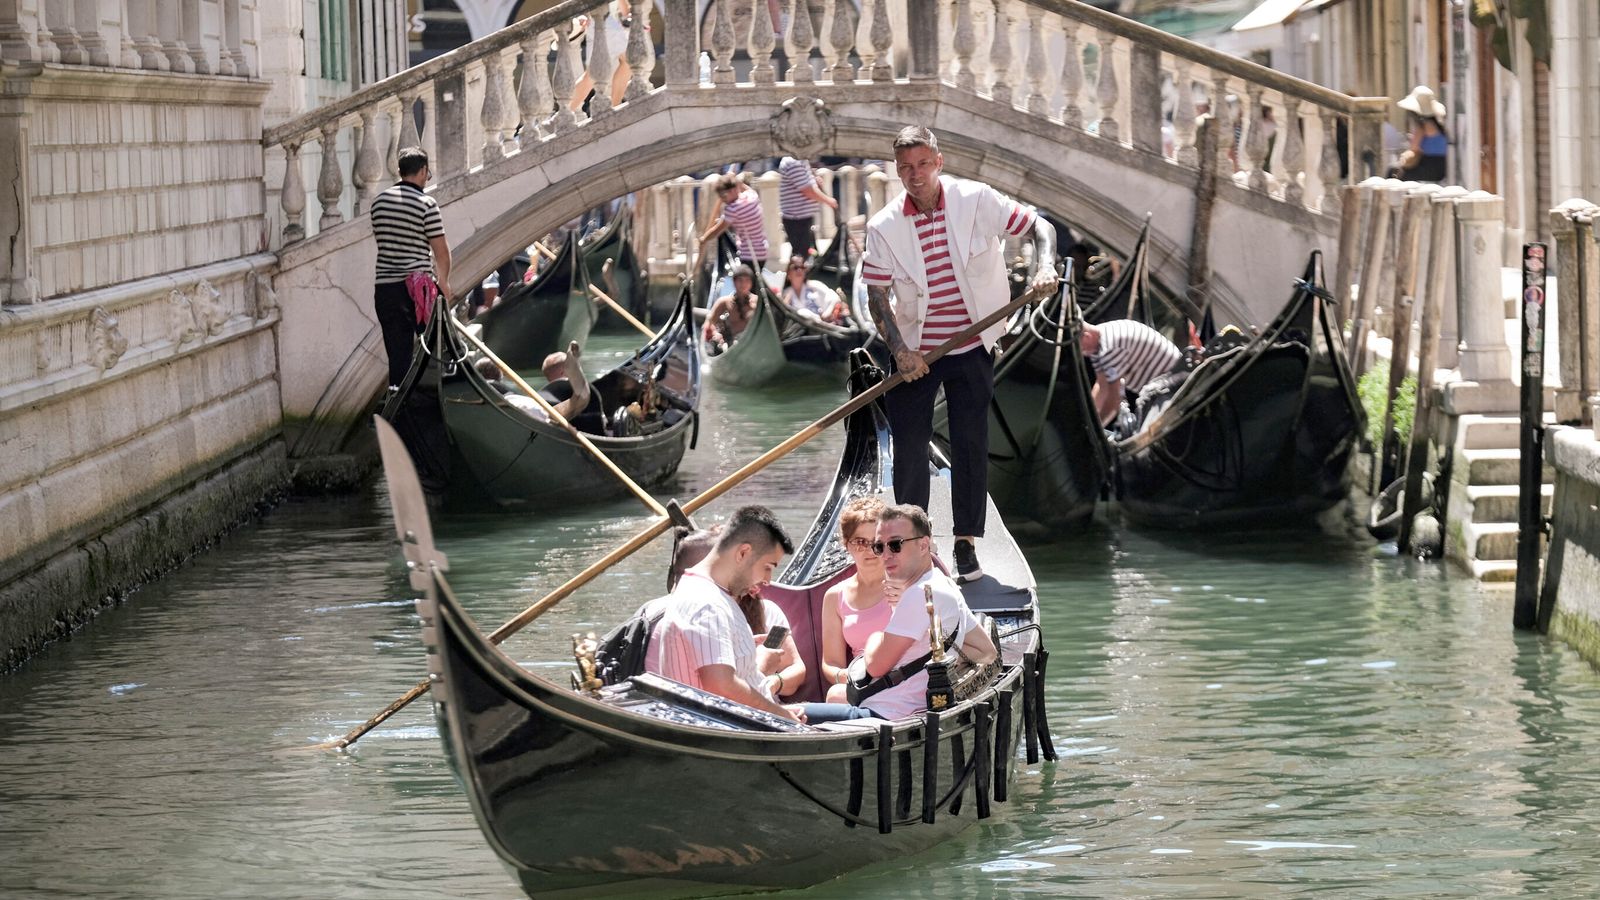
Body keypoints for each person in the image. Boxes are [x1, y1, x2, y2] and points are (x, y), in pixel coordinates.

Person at [859, 126, 1057, 583]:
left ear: (939, 162)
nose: (915, 175)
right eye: (906, 168)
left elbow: (1039, 228)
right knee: (909, 449)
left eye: (923, 164)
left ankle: (965, 545)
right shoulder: (884, 227)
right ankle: (914, 548)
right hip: (916, 351)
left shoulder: (977, 200)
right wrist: (901, 351)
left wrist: (1044, 264)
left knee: (970, 442)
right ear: (898, 171)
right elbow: (876, 297)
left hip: (973, 342)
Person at [808, 504, 994, 722]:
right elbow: (986, 650)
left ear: (924, 545)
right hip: (896, 705)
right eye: (880, 547)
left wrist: (875, 638)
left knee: (791, 715)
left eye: (895, 545)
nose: (884, 555)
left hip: (885, 714)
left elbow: (876, 666)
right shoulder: (943, 584)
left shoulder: (917, 595)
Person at [644, 506, 805, 722]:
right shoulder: (708, 604)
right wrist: (782, 715)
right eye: (768, 566)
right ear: (743, 553)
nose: (768, 579)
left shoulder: (705, 592)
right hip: (733, 735)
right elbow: (722, 686)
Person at [370, 146, 451, 389]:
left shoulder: (378, 203)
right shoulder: (426, 204)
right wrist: (444, 282)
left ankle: (398, 399)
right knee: (436, 348)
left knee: (398, 355)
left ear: (399, 171)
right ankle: (433, 397)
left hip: (385, 289)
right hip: (417, 291)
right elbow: (441, 251)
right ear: (424, 171)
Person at [818, 497, 890, 699]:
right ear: (847, 545)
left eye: (877, 543)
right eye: (860, 542)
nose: (870, 551)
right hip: (861, 684)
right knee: (836, 695)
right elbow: (831, 664)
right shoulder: (834, 597)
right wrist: (855, 677)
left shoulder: (906, 586)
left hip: (903, 677)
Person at [1079, 320, 1182, 427]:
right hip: (1159, 390)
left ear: (1087, 336)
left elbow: (1113, 400)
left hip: (1171, 389)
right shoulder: (1098, 343)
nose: (1082, 353)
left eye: (1080, 348)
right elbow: (1101, 384)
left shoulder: (1110, 347)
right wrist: (1085, 420)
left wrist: (1095, 428)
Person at [473, 341, 590, 423]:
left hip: (533, 411)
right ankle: (580, 393)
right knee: (570, 407)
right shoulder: (514, 398)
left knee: (567, 408)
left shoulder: (488, 396)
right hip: (534, 411)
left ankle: (580, 394)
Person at [697, 174, 770, 270]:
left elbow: (717, 230)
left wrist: (703, 239)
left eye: (724, 196)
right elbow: (741, 185)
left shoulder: (733, 209)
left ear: (733, 190)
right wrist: (733, 178)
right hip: (763, 250)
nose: (722, 200)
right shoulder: (752, 196)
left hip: (749, 255)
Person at [777, 156, 839, 259]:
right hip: (797, 219)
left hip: (802, 217)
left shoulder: (800, 160)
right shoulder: (793, 163)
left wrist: (814, 180)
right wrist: (829, 201)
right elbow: (807, 190)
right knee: (801, 256)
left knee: (809, 253)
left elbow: (804, 181)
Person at [1391, 85, 1449, 183]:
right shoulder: (1439, 127)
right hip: (1441, 168)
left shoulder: (1422, 127)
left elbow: (1414, 147)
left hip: (1428, 167)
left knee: (1392, 171)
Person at [702, 264, 760, 353]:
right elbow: (708, 323)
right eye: (740, 280)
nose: (744, 284)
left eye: (747, 280)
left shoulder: (758, 302)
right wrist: (715, 334)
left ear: (751, 283)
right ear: (734, 282)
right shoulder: (724, 302)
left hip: (755, 344)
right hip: (733, 346)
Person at [780, 256, 844, 323]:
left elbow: (835, 298)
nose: (799, 270)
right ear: (788, 274)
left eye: (802, 267)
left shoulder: (815, 285)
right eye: (795, 268)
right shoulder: (786, 293)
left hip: (821, 327)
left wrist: (826, 314)